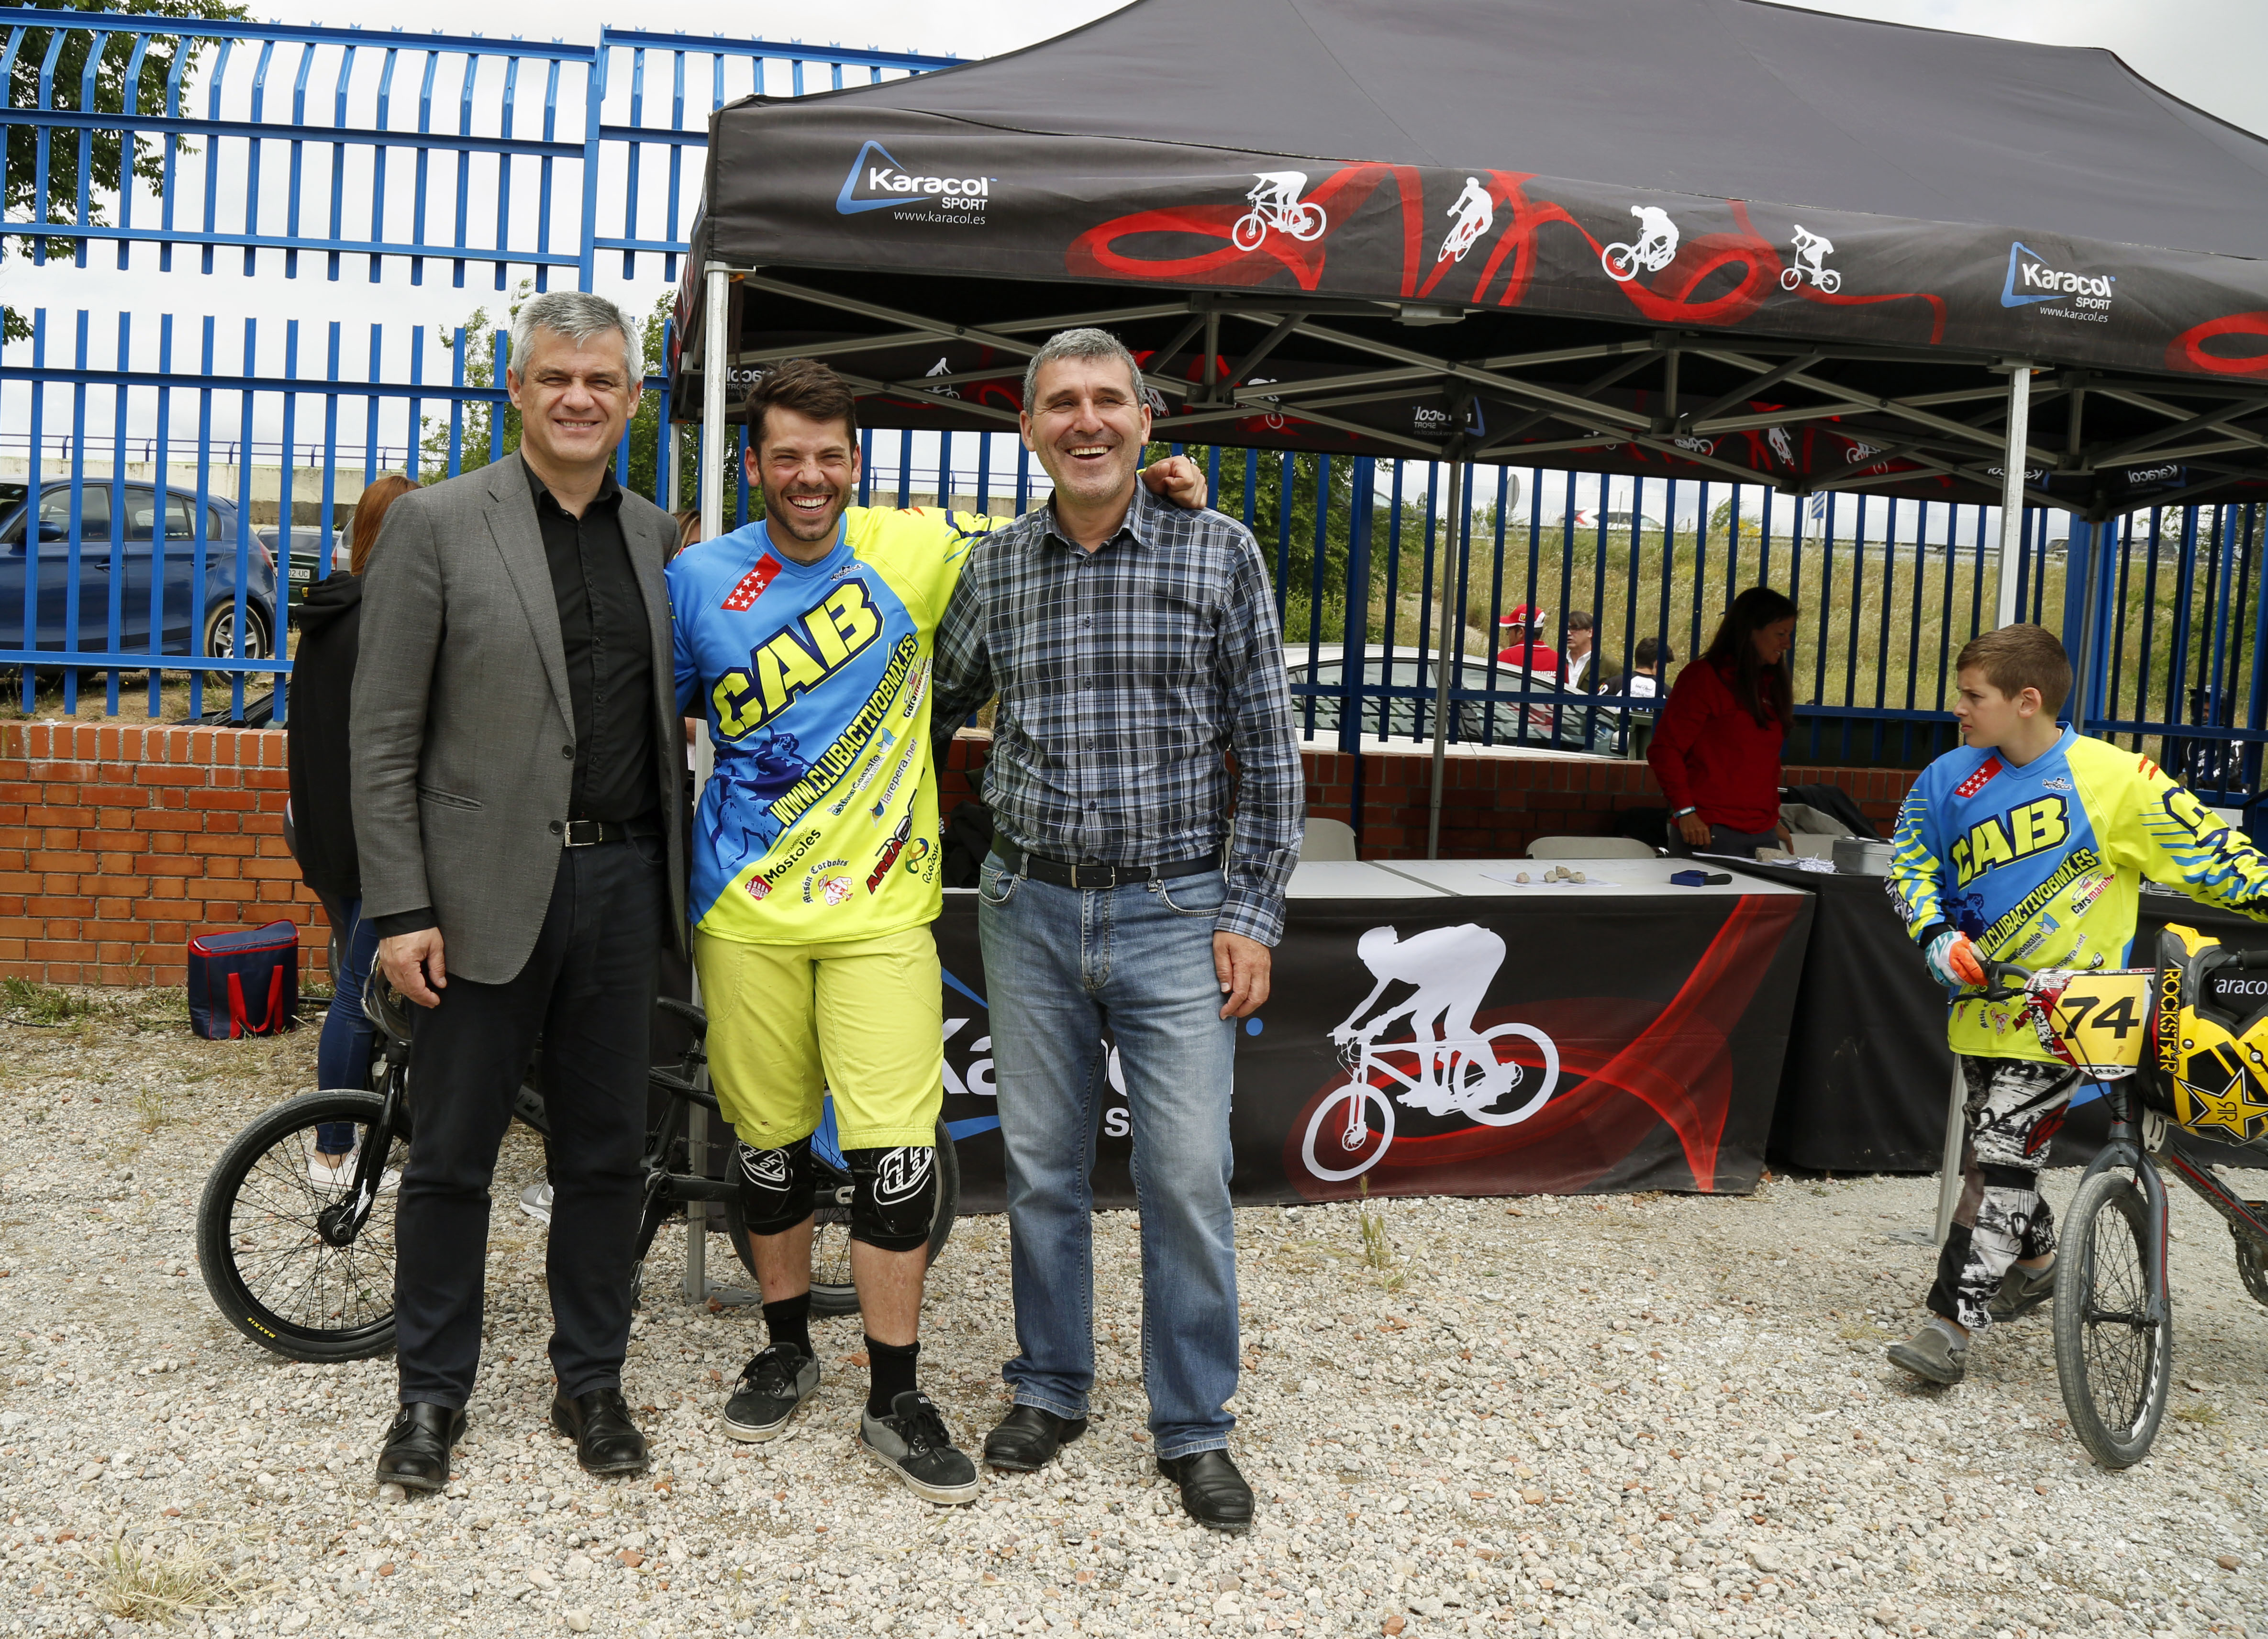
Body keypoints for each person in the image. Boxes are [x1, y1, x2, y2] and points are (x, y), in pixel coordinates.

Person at [671, 359, 1207, 1501]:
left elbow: (1065, 518)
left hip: (882, 910)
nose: (809, 477)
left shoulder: (920, 546)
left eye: (829, 457)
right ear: (753, 464)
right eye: (785, 456)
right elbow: (640, 718)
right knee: (765, 1147)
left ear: (856, 463)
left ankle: (894, 1394)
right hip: (743, 912)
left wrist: (1158, 483)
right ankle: (784, 1348)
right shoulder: (697, 579)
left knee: (897, 1156)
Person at [933, 327, 1303, 1533]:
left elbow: (1272, 752)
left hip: (1176, 912)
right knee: (1041, 1169)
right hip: (1028, 908)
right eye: (1060, 404)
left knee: (1184, 1173)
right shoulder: (995, 568)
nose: (1084, 421)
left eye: (1107, 401)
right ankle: (1050, 1385)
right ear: (1029, 430)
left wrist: (1252, 911)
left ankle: (1194, 1424)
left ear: (1147, 421)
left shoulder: (1219, 552)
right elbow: (928, 700)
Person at [353, 290, 687, 1494]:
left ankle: (590, 1382)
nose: (578, 398)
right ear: (518, 389)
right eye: (556, 377)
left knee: (605, 1157)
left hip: (624, 887)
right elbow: (381, 738)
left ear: (633, 397)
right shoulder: (438, 524)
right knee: (452, 1158)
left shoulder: (657, 538)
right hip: (476, 897)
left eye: (601, 379)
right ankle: (429, 1395)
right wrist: (401, 909)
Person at [1882, 625, 2268, 1385]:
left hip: (2076, 1013)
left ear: (2027, 701)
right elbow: (1909, 865)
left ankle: (1949, 1325)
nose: (1958, 708)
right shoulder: (1946, 776)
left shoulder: (2118, 778)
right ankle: (2038, 1264)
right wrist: (1934, 934)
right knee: (1999, 1153)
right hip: (1981, 1009)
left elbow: (2218, 859)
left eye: (1973, 696)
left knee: (2000, 1159)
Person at [289, 473, 416, 1184]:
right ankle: (332, 1151)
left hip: (327, 833)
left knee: (358, 982)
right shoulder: (387, 621)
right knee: (358, 997)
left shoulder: (330, 613)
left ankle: (362, 1130)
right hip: (375, 841)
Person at [1648, 587, 1799, 857]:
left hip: (1762, 830)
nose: (1787, 644)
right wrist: (1685, 811)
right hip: (1708, 830)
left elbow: (1764, 763)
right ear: (1751, 631)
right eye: (1780, 634)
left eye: (1789, 634)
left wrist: (1772, 819)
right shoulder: (1704, 678)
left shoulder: (1770, 684)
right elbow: (1665, 749)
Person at [1494, 604, 1559, 675]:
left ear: (1521, 632)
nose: (1508, 635)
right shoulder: (1558, 660)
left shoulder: (1507, 658)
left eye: (1509, 630)